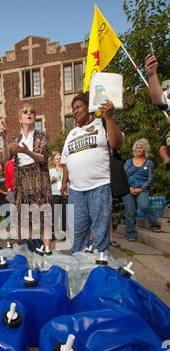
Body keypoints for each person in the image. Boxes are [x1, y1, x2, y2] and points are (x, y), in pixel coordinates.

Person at [61, 92, 123, 253]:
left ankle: (99, 268)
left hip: (99, 187)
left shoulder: (101, 124)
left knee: (100, 230)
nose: (75, 111)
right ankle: (79, 266)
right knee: (77, 232)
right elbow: (65, 160)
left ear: (89, 108)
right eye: (73, 109)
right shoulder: (71, 134)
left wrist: (108, 117)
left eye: (79, 107)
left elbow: (116, 143)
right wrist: (63, 183)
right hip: (75, 191)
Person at [0, 104, 52, 251]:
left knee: (43, 217)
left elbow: (43, 158)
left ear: (35, 117)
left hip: (39, 180)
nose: (29, 113)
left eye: (32, 112)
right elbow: (6, 158)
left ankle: (47, 250)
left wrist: (28, 152)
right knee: (25, 218)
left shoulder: (42, 136)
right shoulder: (16, 138)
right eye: (25, 112)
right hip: (21, 181)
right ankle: (32, 249)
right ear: (20, 119)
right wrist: (4, 139)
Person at [122, 138, 161, 241]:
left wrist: (141, 189)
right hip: (128, 189)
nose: (139, 149)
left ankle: (155, 225)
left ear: (145, 150)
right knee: (130, 212)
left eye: (141, 148)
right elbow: (123, 177)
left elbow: (151, 178)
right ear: (135, 150)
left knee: (144, 206)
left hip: (142, 189)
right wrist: (129, 188)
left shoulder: (149, 163)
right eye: (137, 148)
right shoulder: (128, 162)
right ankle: (131, 234)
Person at [49, 152, 67, 240]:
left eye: (60, 158)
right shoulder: (51, 171)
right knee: (55, 214)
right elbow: (47, 184)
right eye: (57, 159)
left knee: (64, 214)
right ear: (54, 160)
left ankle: (63, 233)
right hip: (55, 194)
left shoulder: (66, 170)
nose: (58, 160)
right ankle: (54, 233)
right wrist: (51, 181)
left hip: (65, 194)